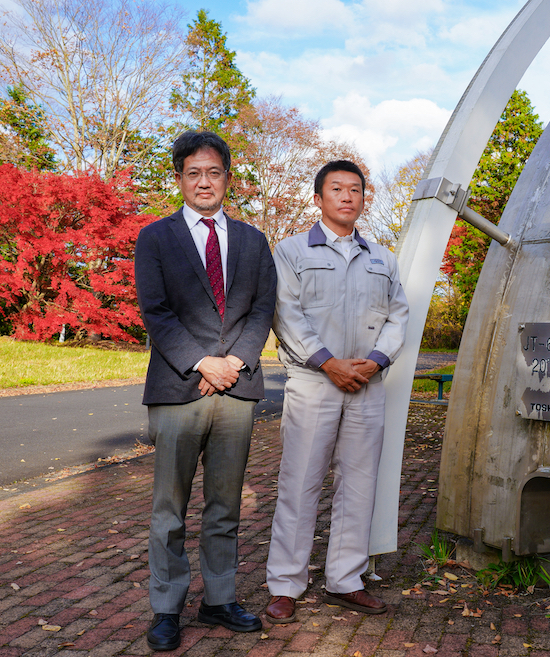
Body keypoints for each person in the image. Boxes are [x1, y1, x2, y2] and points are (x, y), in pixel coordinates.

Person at [135, 131, 277, 651]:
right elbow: (156, 312)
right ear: (179, 179)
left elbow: (263, 307)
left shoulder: (252, 240)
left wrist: (234, 361)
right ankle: (167, 607)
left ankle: (218, 598)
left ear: (227, 180)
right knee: (169, 508)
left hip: (238, 389)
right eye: (193, 172)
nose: (203, 182)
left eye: (213, 172)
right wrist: (203, 362)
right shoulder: (155, 238)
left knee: (225, 505)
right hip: (179, 389)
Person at [263, 159, 409, 624]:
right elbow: (285, 313)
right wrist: (327, 362)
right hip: (312, 382)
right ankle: (286, 584)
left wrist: (377, 360)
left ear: (365, 199)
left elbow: (398, 316)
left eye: (355, 190)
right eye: (336, 189)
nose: (347, 196)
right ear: (319, 198)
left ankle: (346, 580)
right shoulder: (289, 252)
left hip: (367, 383)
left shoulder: (383, 259)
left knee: (360, 483)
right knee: (300, 483)